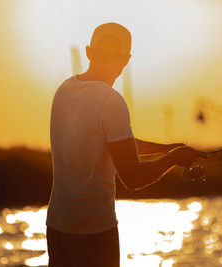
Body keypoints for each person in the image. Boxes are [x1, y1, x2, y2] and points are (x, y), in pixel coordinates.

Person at [46, 22, 206, 267]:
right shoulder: (111, 101)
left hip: (58, 228)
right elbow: (133, 178)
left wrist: (165, 148)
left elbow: (110, 141)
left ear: (89, 52)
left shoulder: (64, 90)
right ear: (126, 59)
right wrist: (173, 159)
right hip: (95, 234)